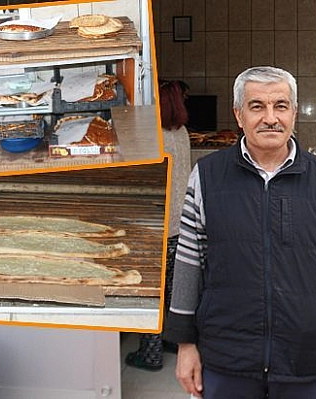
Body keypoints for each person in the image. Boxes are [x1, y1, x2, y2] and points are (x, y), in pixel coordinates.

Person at [164, 66, 316, 399]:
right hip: (227, 358)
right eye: (257, 106)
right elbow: (189, 267)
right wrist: (185, 344)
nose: (270, 117)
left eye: (281, 106)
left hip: (307, 358)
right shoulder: (207, 178)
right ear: (239, 115)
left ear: (294, 114)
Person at [125, 80, 192, 370]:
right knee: (173, 293)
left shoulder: (151, 137)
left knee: (151, 295)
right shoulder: (182, 133)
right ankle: (172, 341)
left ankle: (150, 355)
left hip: (157, 227)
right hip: (181, 226)